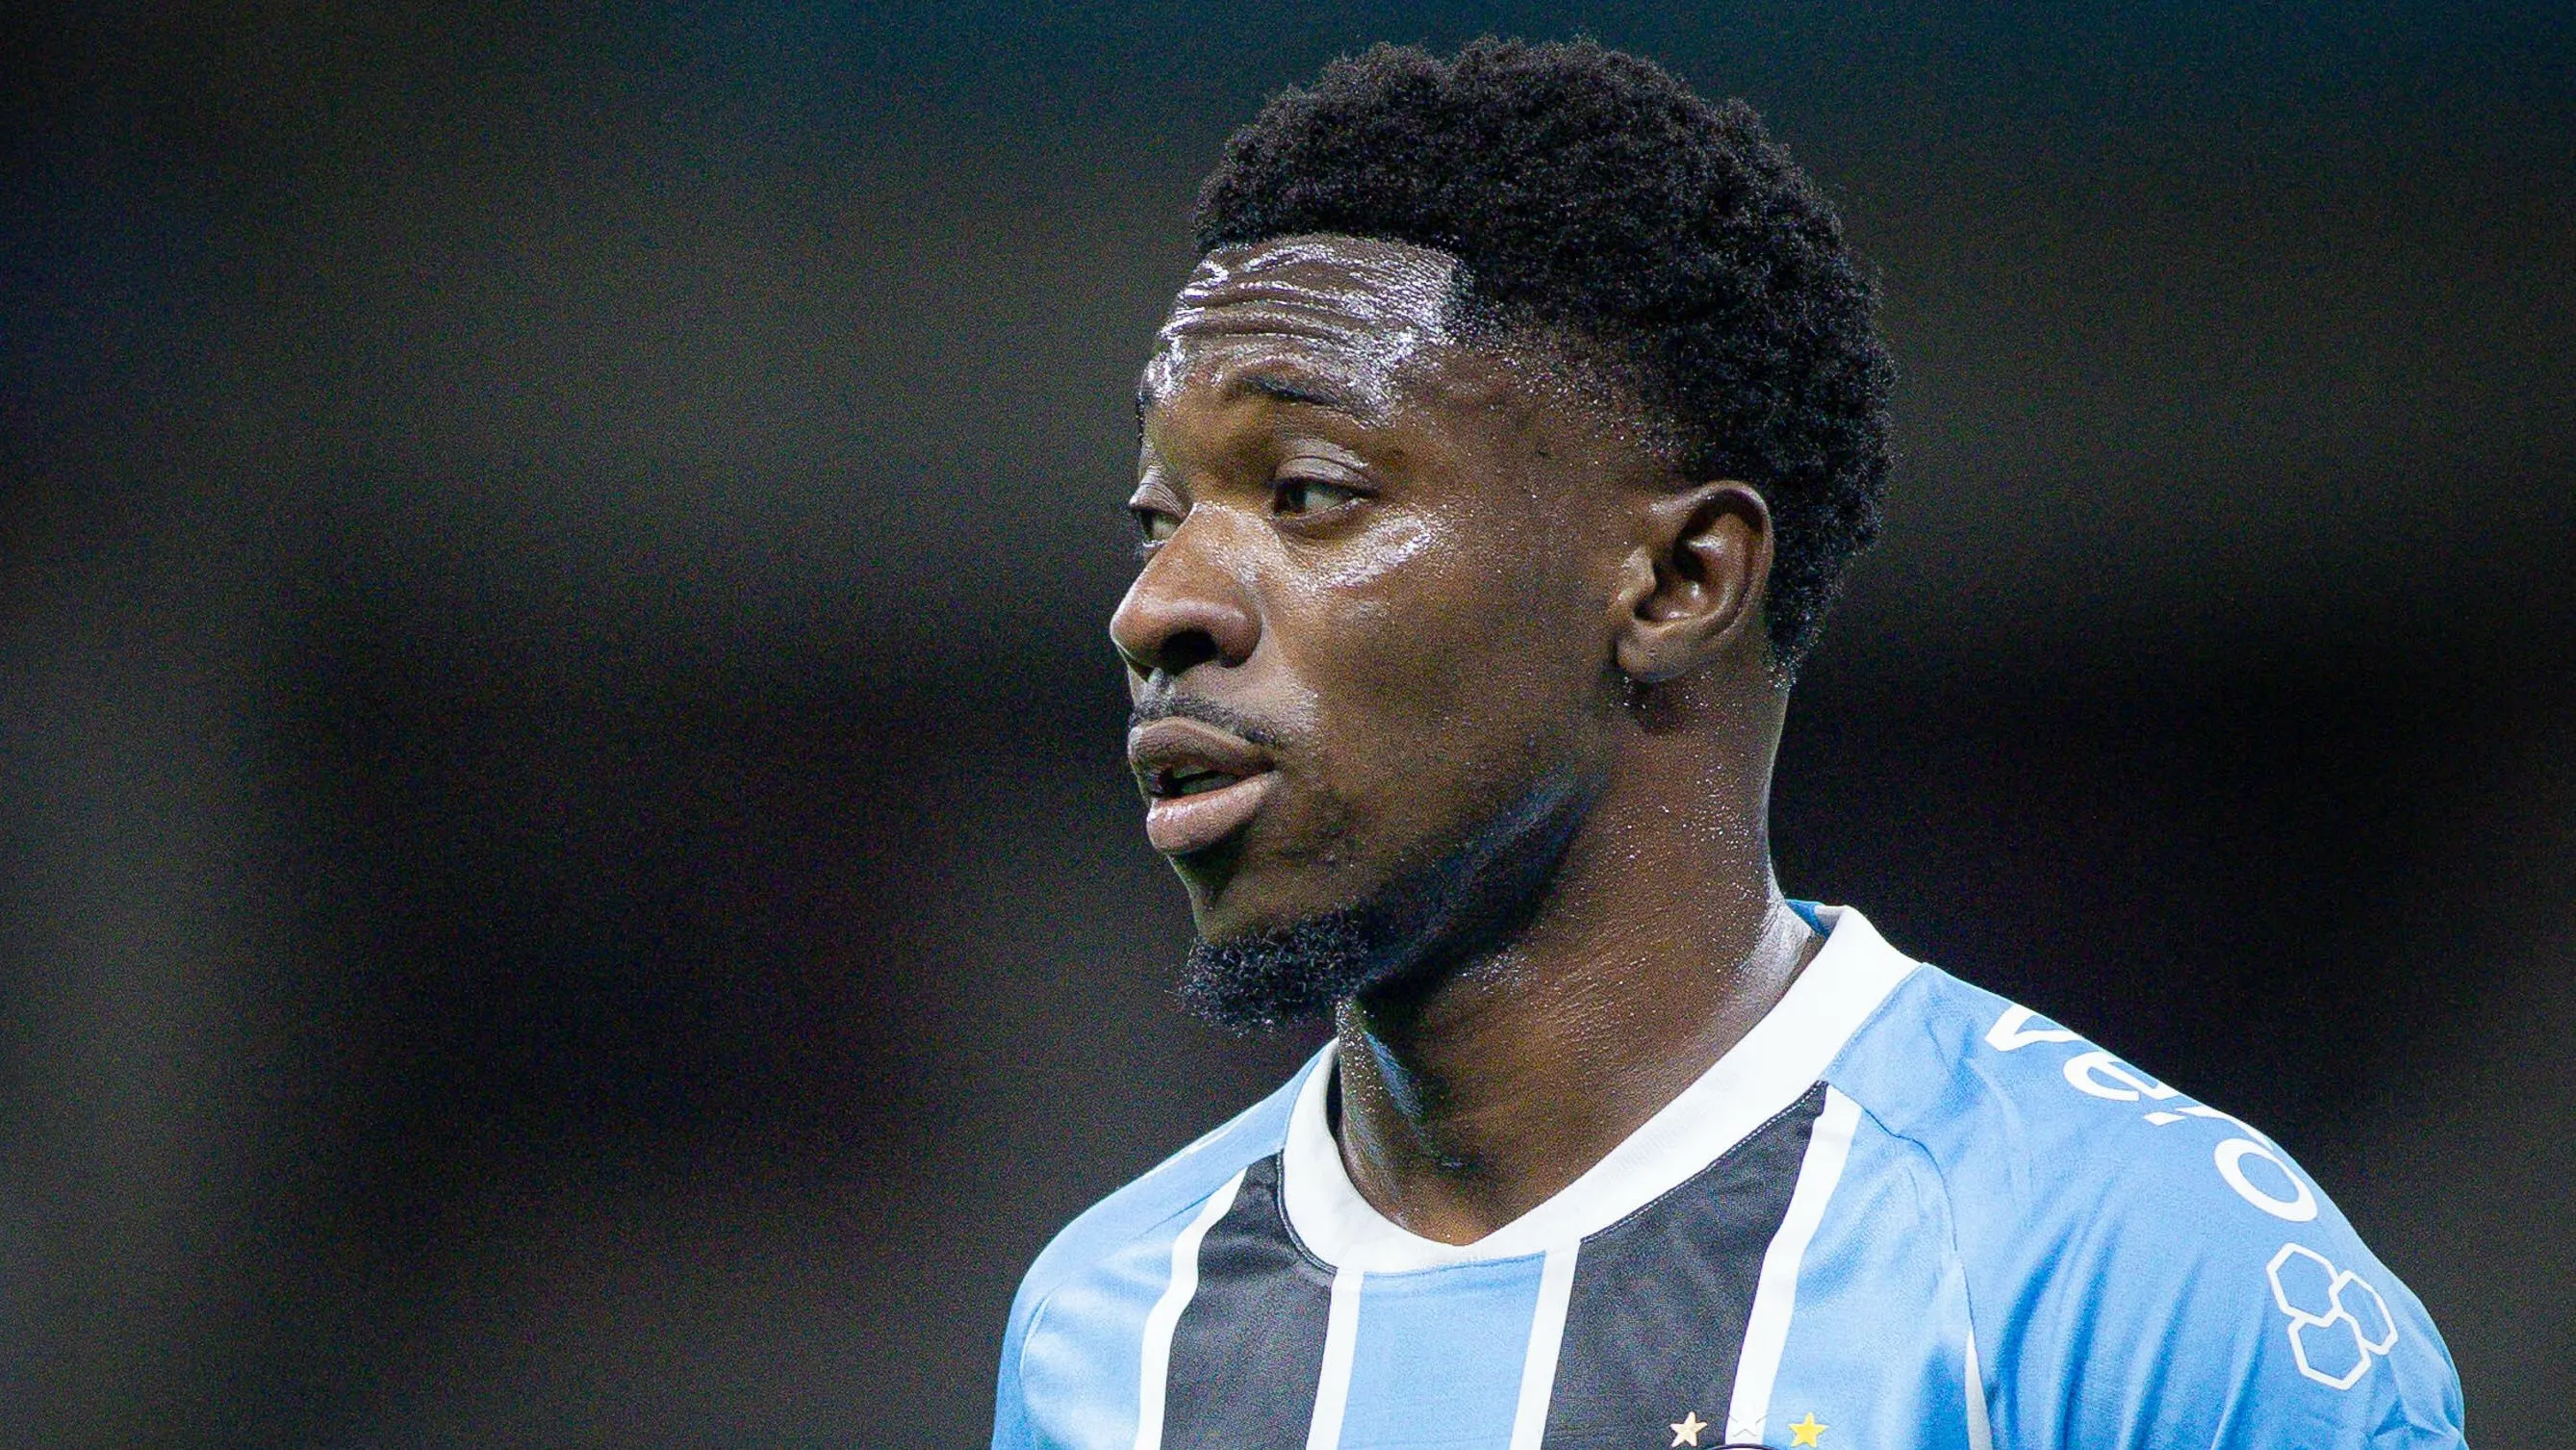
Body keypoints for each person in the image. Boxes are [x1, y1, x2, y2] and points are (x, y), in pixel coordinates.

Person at [991, 38, 2464, 1450]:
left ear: (1682, 581)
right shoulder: (1106, 1327)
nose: (1157, 605)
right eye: (1161, 518)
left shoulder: (2133, 1285)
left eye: (1309, 493)